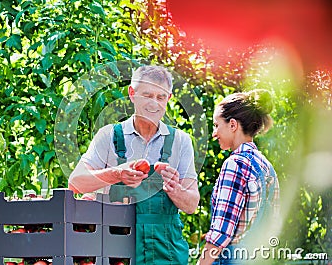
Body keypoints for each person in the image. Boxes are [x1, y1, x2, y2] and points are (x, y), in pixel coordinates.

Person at [69, 65, 200, 264]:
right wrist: (117, 174)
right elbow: (76, 183)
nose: (154, 104)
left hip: (166, 250)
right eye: (147, 95)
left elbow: (191, 204)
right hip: (116, 248)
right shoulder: (109, 135)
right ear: (132, 93)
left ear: (169, 98)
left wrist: (176, 190)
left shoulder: (180, 141)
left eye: (160, 97)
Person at [197, 89, 280, 265]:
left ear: (233, 125)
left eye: (216, 125)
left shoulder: (235, 165)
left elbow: (220, 233)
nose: (214, 133)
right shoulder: (267, 167)